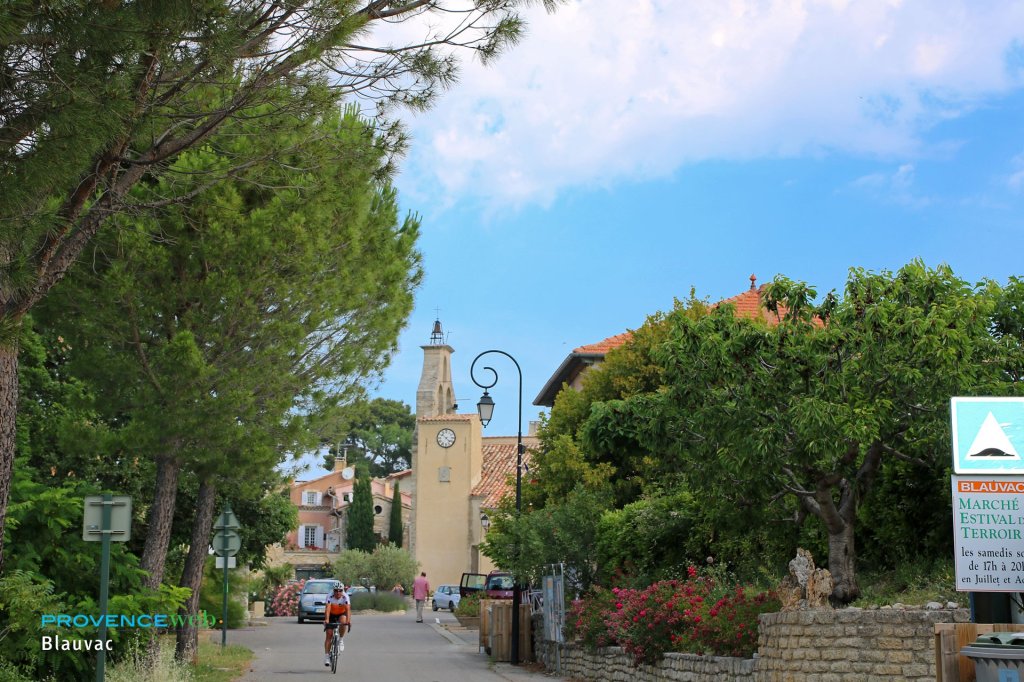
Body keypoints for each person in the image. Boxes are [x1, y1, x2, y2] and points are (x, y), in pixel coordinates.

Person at [323, 583, 350, 667]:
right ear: (333, 591)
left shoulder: (345, 597)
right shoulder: (329, 596)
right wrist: (327, 620)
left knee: (343, 621)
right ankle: (327, 656)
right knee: (329, 634)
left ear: (343, 591)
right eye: (336, 591)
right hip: (331, 614)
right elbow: (327, 609)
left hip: (341, 613)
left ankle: (341, 639)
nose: (338, 593)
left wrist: (348, 621)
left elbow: (348, 610)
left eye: (340, 591)